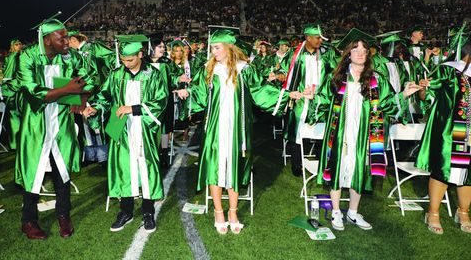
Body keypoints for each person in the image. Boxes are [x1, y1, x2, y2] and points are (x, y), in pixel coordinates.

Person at [175, 29, 296, 234]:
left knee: (235, 166)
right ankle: (218, 211)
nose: (213, 52)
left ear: (230, 47)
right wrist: (187, 92)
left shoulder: (244, 69)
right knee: (215, 167)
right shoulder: (208, 69)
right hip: (215, 126)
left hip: (237, 127)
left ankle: (233, 212)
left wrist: (287, 94)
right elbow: (199, 93)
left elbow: (260, 91)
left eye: (217, 47)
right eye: (212, 48)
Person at [310, 29, 420, 231]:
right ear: (348, 54)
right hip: (340, 132)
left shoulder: (376, 79)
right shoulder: (335, 79)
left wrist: (404, 94)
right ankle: (336, 212)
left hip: (364, 134)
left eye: (364, 49)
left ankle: (352, 212)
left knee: (359, 170)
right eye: (355, 49)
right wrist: (311, 98)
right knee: (337, 168)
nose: (360, 53)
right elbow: (322, 101)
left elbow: (388, 103)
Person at [15, 18, 98, 240]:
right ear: (47, 39)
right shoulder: (27, 56)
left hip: (61, 120)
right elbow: (34, 92)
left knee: (62, 170)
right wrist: (68, 89)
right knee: (34, 170)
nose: (67, 41)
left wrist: (82, 96)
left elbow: (90, 77)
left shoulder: (70, 56)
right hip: (36, 121)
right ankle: (28, 220)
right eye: (61, 37)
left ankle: (64, 215)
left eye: (67, 36)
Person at [83, 36, 168, 233]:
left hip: (143, 128)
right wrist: (95, 108)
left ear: (140, 54)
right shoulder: (116, 74)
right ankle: (126, 211)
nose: (126, 64)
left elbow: (161, 102)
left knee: (146, 170)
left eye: (130, 60)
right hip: (121, 129)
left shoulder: (152, 75)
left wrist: (133, 108)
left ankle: (148, 212)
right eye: (123, 60)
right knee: (124, 169)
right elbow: (104, 96)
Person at [416, 32, 471, 235]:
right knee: (443, 169)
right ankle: (433, 213)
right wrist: (423, 88)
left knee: (470, 173)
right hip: (452, 131)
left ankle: (464, 212)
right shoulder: (450, 71)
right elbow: (426, 95)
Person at [273, 24, 337, 176]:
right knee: (297, 131)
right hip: (300, 99)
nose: (320, 41)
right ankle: (297, 164)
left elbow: (334, 71)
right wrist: (280, 75)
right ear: (308, 38)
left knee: (323, 129)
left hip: (320, 100)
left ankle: (321, 161)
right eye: (317, 38)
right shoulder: (296, 55)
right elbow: (284, 70)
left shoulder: (325, 54)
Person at [68, 31, 113, 166]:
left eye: (69, 42)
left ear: (73, 39)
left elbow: (109, 60)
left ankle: (102, 156)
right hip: (82, 90)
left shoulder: (93, 48)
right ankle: (90, 155)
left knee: (97, 122)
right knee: (85, 123)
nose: (68, 45)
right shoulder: (77, 53)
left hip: (95, 91)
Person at [143, 33, 175, 167]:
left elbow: (174, 78)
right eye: (159, 46)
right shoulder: (144, 63)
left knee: (164, 128)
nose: (163, 49)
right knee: (150, 126)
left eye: (163, 47)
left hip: (165, 100)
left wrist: (179, 80)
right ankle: (150, 152)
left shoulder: (167, 63)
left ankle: (164, 153)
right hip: (148, 101)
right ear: (151, 47)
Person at [1, 39, 23, 150]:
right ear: (12, 46)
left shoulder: (14, 57)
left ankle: (15, 143)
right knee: (14, 116)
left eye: (20, 44)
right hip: (13, 89)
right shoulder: (15, 57)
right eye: (16, 44)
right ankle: (16, 143)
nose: (19, 46)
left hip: (13, 89)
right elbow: (8, 75)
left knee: (14, 116)